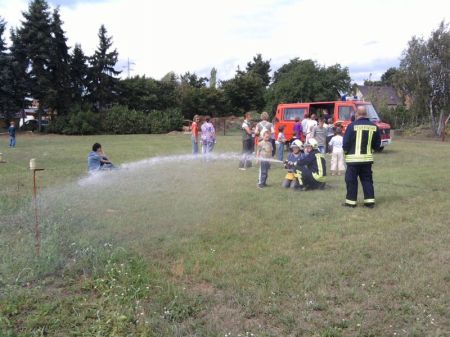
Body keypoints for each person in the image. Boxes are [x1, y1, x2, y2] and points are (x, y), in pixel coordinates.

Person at [342, 105, 381, 208]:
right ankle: (369, 202)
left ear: (357, 114)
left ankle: (351, 203)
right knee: (367, 180)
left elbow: (345, 143)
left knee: (351, 181)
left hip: (353, 161)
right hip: (367, 160)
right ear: (366, 114)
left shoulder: (351, 126)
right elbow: (377, 145)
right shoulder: (374, 126)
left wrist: (346, 152)